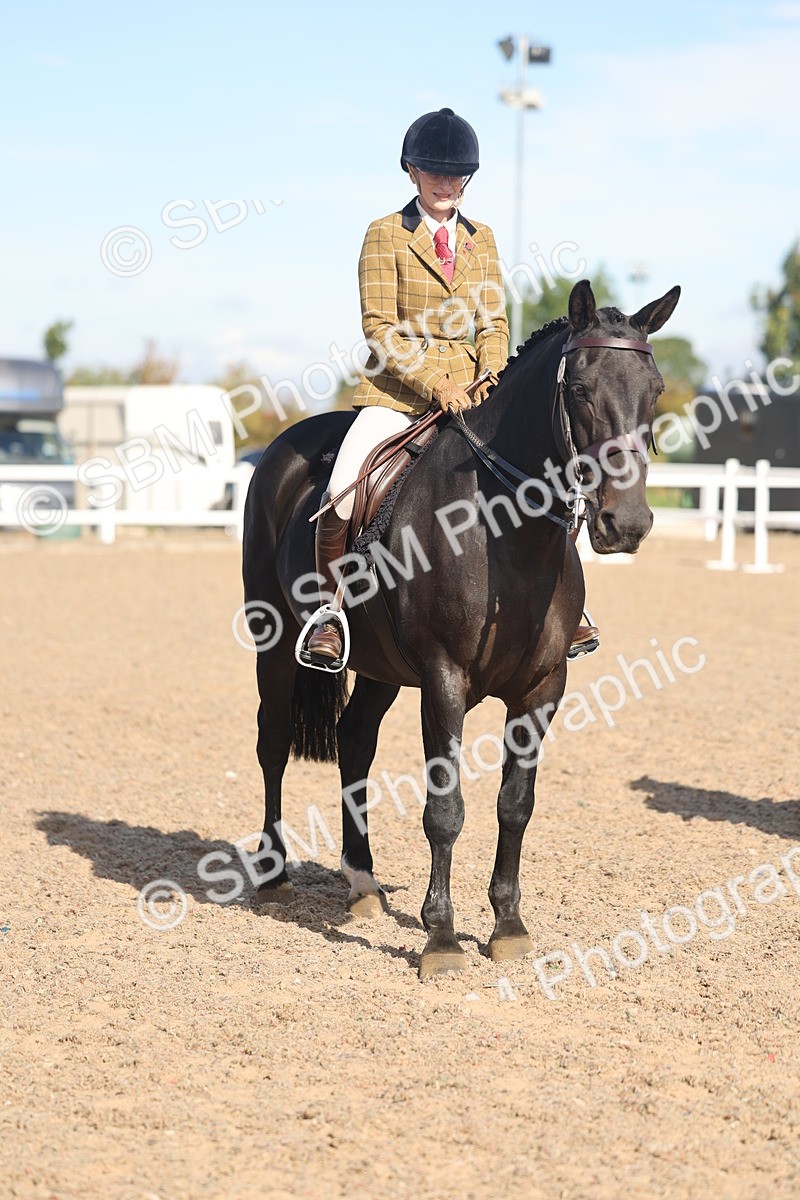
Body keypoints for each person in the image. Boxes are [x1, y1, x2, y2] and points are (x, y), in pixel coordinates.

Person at [302, 107, 597, 667]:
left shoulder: (480, 238)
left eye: (457, 175)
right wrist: (435, 381)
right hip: (399, 395)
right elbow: (379, 328)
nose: (447, 185)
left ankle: (567, 606)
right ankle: (329, 612)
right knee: (343, 485)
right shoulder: (385, 234)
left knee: (547, 468)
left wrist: (491, 374)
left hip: (474, 393)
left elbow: (494, 322)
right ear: (411, 171)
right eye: (435, 173)